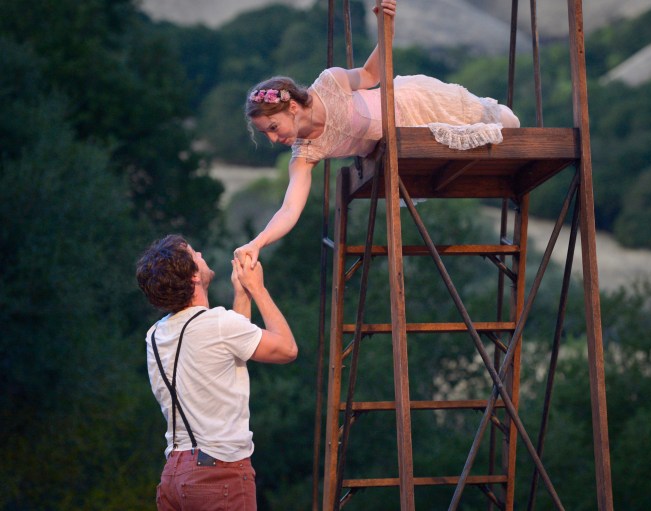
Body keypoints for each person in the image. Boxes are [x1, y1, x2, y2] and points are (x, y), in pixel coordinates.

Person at [234, 0, 520, 268]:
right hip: (405, 139)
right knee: (464, 165)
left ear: (293, 107)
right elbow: (289, 209)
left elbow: (372, 75)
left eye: (273, 128)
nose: (274, 139)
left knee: (509, 124)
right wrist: (258, 242)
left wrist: (387, 29)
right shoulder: (305, 153)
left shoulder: (331, 83)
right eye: (266, 134)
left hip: (416, 101)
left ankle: (493, 107)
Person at [135, 234, 297, 511]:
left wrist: (240, 293)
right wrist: (257, 289)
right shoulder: (218, 324)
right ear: (193, 278)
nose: (200, 252)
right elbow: (287, 349)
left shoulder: (156, 335)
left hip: (175, 474)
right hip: (219, 472)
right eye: (194, 254)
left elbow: (230, 349)